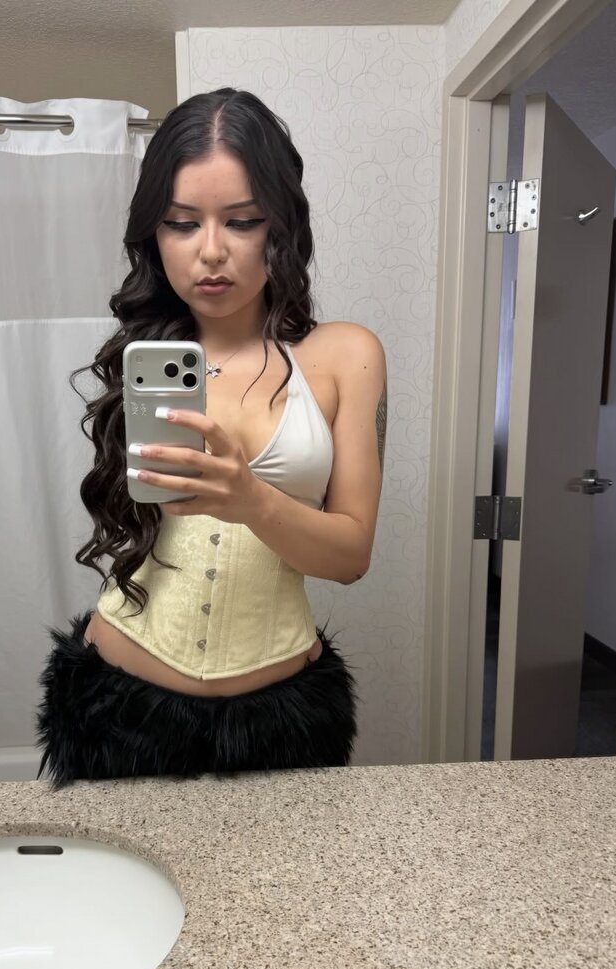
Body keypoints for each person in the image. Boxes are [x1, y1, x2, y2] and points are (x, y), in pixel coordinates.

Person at [35, 87, 386, 788]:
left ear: (281, 225)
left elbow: (350, 558)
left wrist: (250, 498)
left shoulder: (345, 355)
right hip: (116, 707)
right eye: (181, 223)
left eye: (243, 221)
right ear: (153, 234)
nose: (212, 251)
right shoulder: (149, 361)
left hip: (282, 719)